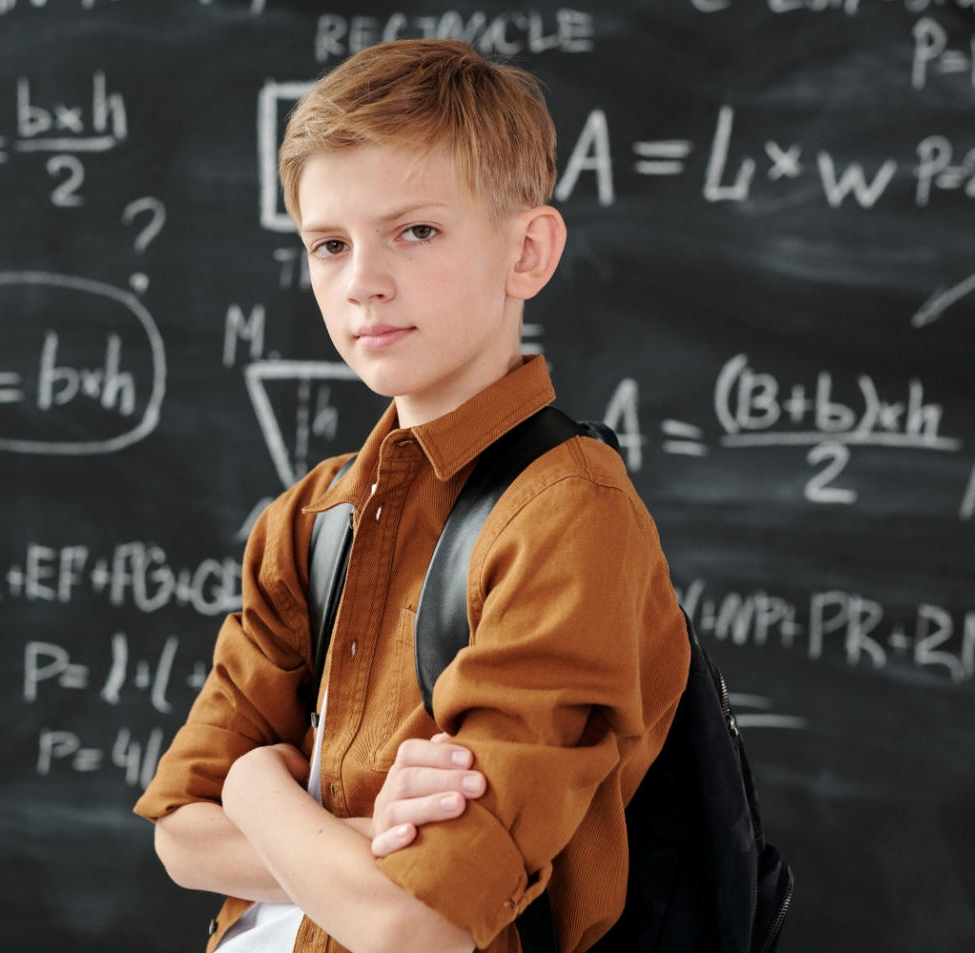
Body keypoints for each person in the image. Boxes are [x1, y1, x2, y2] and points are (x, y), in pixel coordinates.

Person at [134, 38, 689, 953]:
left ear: (528, 250)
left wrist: (257, 790)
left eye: (416, 231)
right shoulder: (308, 521)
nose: (363, 282)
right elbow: (178, 837)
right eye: (329, 244)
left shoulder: (567, 515)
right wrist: (358, 842)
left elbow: (415, 926)